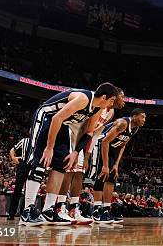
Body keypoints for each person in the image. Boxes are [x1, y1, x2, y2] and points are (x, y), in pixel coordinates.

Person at [20, 83, 122, 226]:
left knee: (62, 165)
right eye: (112, 100)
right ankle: (27, 211)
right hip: (47, 117)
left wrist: (75, 152)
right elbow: (56, 118)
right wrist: (49, 147)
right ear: (104, 97)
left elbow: (89, 133)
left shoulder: (98, 108)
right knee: (40, 162)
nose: (113, 103)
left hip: (63, 124)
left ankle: (48, 211)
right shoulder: (83, 98)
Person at [62, 92, 122, 224]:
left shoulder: (110, 113)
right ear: (113, 97)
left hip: (84, 140)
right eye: (121, 97)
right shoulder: (99, 106)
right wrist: (77, 151)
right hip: (71, 133)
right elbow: (84, 128)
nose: (123, 100)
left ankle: (73, 209)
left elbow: (95, 134)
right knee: (69, 171)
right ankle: (59, 207)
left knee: (79, 174)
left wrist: (87, 155)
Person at [89, 108, 146, 224]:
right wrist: (105, 165)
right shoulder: (123, 123)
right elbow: (105, 141)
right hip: (101, 145)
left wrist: (116, 163)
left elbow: (123, 145)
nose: (144, 120)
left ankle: (106, 210)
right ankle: (96, 211)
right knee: (102, 177)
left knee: (111, 179)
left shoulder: (135, 129)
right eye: (142, 117)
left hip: (113, 149)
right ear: (134, 116)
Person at [8, 137, 29, 220]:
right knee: (17, 190)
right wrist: (13, 158)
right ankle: (11, 213)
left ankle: (23, 213)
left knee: (29, 192)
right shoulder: (25, 140)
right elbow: (12, 149)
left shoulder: (40, 141)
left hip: (33, 166)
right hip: (23, 164)